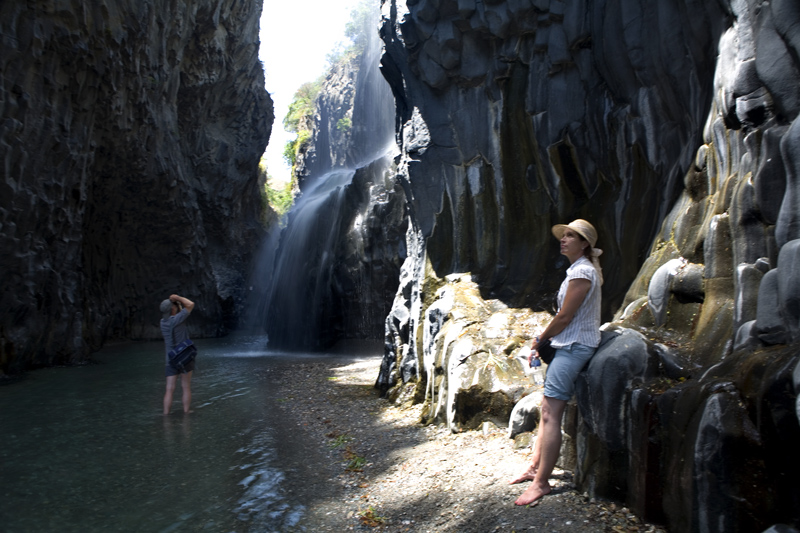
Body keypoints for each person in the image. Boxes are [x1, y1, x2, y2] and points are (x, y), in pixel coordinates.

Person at [511, 219, 603, 506]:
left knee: (551, 413)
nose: (563, 239)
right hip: (569, 344)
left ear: (584, 244)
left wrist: (540, 340)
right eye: (563, 235)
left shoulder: (583, 272)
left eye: (571, 236)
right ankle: (534, 467)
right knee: (547, 409)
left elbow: (564, 317)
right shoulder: (577, 270)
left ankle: (541, 483)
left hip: (575, 347)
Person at [160, 294, 195, 415]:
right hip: (184, 357)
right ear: (173, 309)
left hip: (170, 359)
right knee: (185, 386)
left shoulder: (162, 322)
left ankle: (166, 414)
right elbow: (190, 304)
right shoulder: (178, 319)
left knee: (169, 389)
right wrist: (178, 298)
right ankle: (186, 412)